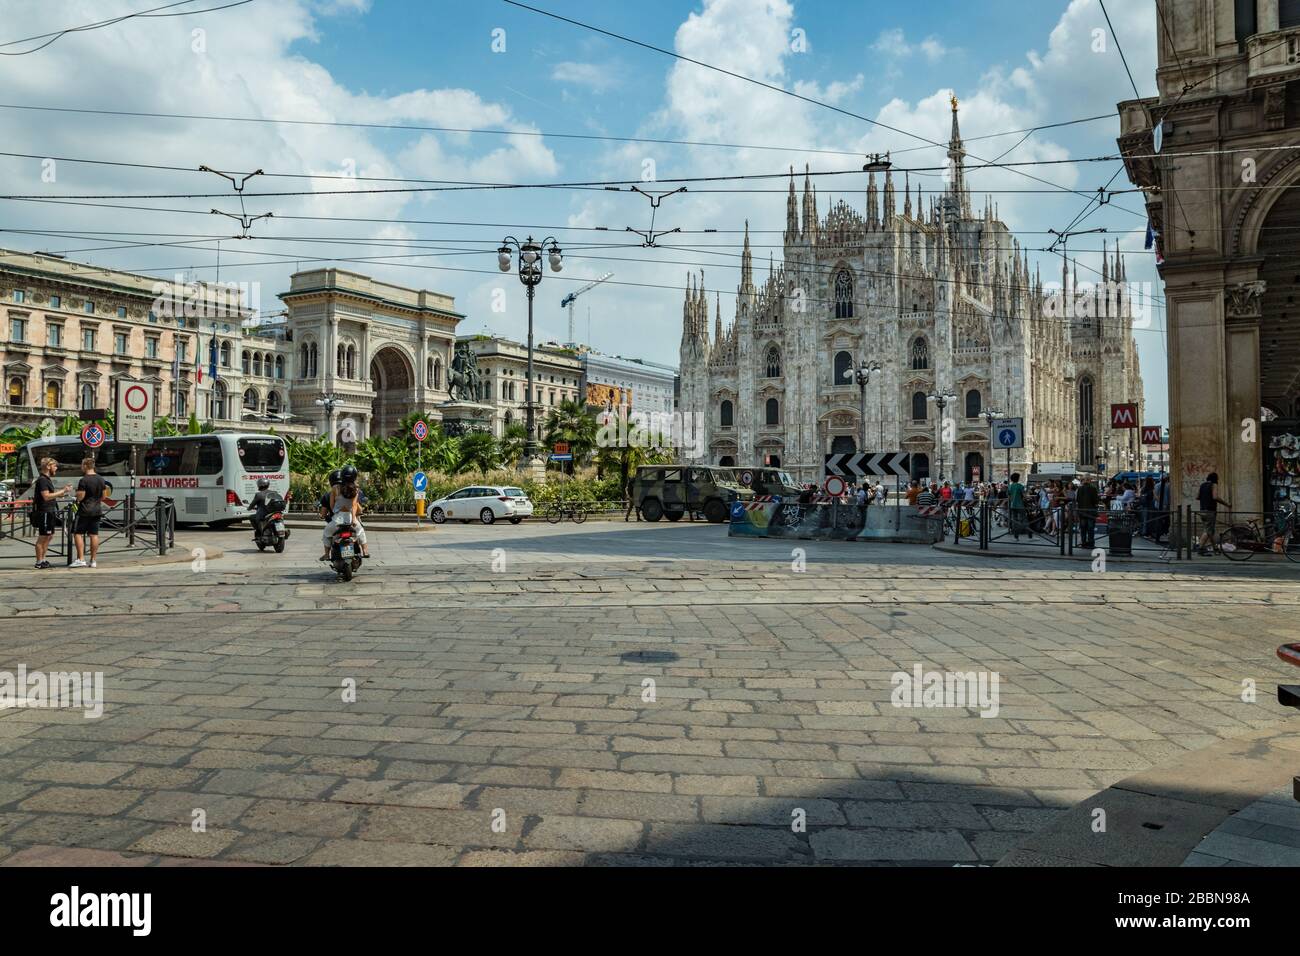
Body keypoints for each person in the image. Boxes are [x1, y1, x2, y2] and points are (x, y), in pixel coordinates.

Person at [322, 464, 369, 560]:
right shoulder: (356, 489)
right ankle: (365, 551)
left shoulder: (335, 488)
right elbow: (354, 505)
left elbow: (331, 505)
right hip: (351, 517)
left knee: (326, 533)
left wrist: (335, 511)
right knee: (360, 531)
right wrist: (353, 520)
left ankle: (327, 554)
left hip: (337, 519)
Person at [32, 457, 73, 569]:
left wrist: (63, 493)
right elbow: (46, 496)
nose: (56, 468)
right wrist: (63, 491)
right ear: (48, 466)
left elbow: (50, 494)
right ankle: (39, 562)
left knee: (49, 536)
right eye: (54, 466)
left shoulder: (46, 479)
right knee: (43, 536)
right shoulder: (43, 480)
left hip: (49, 511)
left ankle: (43, 559)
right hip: (44, 511)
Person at [70, 457, 107, 568]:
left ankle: (81, 559)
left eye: (82, 465)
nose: (81, 467)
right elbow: (104, 496)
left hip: (84, 510)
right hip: (97, 509)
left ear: (85, 466)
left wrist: (76, 495)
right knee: (94, 535)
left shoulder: (84, 480)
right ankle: (93, 560)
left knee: (77, 533)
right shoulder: (101, 479)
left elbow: (81, 497)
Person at [1196, 471, 1231, 555]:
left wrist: (1205, 498)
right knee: (1208, 531)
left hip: (1202, 510)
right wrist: (1226, 504)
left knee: (1210, 530)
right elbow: (1215, 497)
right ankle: (1200, 547)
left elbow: (1197, 497)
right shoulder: (1214, 485)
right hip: (1210, 511)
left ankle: (1215, 548)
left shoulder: (1202, 485)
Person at [1007, 472, 1027, 540]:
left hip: (1013, 505)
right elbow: (1024, 496)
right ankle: (1029, 533)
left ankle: (1016, 535)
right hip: (1020, 505)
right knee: (1024, 519)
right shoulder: (1020, 486)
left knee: (1014, 520)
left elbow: (1009, 496)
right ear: (1018, 478)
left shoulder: (1010, 486)